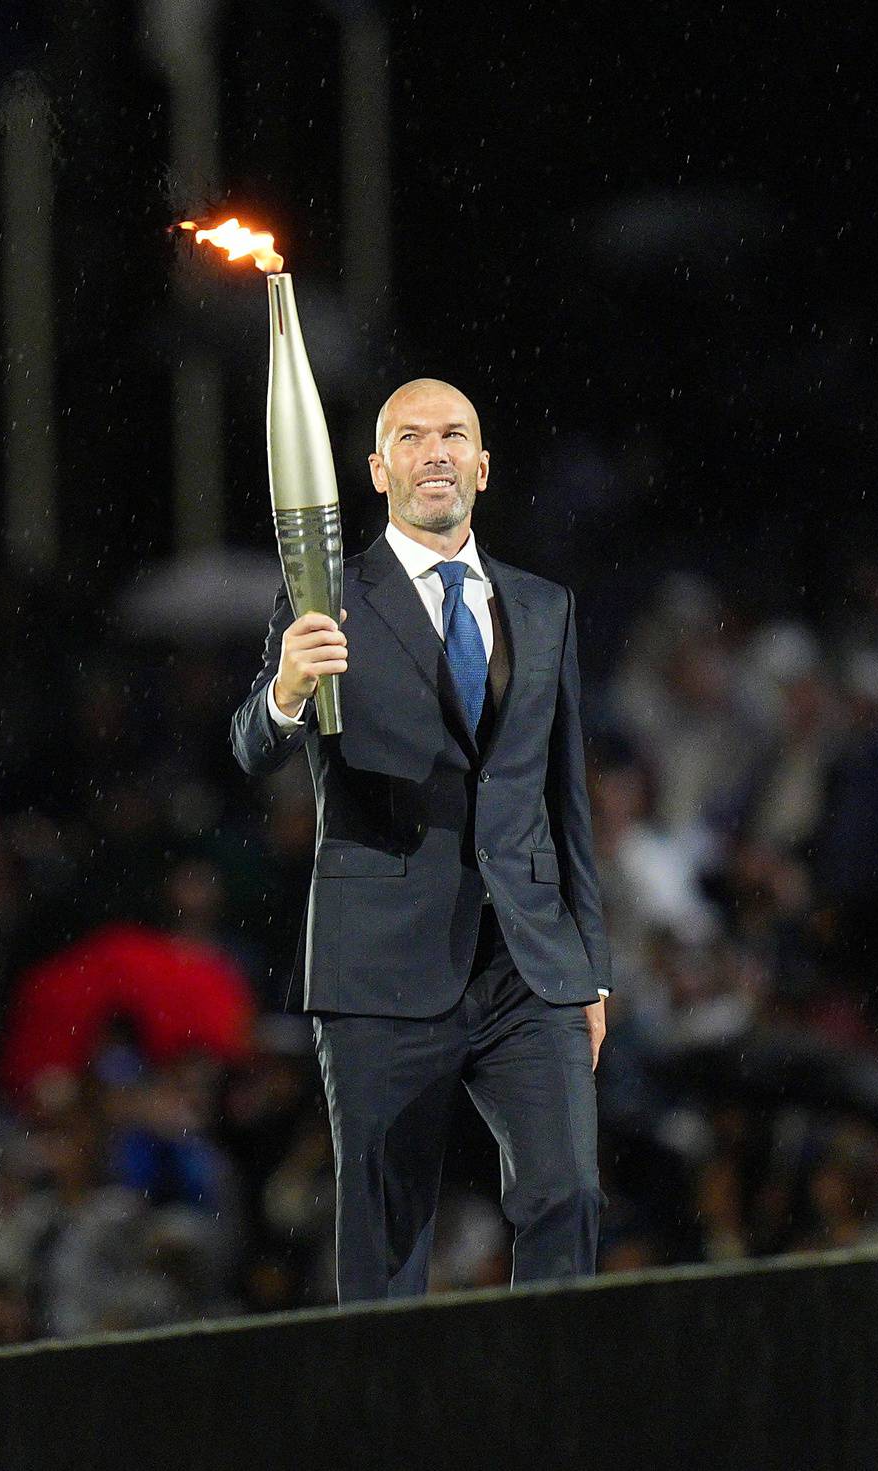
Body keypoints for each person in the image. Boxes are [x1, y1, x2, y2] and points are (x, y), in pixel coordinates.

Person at [230, 378, 612, 1301]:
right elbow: (248, 744)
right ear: (375, 468)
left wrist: (590, 965)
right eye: (410, 436)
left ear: (483, 466)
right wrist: (284, 690)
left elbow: (567, 801)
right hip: (383, 968)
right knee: (388, 1230)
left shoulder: (543, 606)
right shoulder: (325, 597)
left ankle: (547, 1415)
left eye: (453, 435)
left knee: (566, 1193)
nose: (434, 451)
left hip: (529, 963)